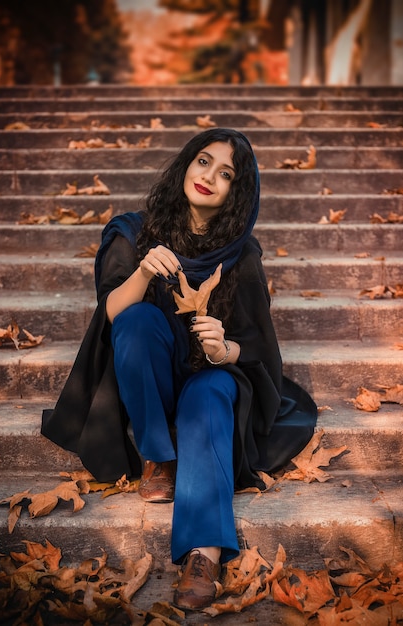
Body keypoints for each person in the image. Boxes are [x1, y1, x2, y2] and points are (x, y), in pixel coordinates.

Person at [42, 128, 317, 610]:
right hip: (150, 377)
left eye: (226, 174)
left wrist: (224, 347)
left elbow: (258, 349)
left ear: (238, 192)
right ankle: (159, 457)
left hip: (208, 379)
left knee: (209, 394)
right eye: (204, 161)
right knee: (138, 320)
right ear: (186, 164)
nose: (209, 176)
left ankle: (204, 553)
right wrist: (144, 272)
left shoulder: (242, 254)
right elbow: (108, 315)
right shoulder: (133, 232)